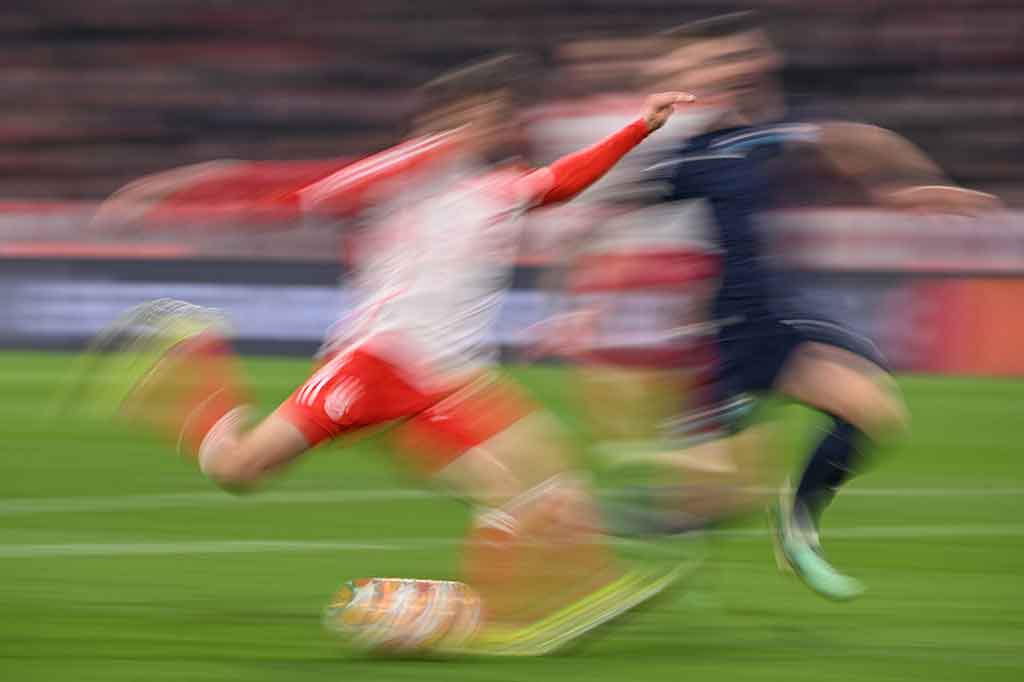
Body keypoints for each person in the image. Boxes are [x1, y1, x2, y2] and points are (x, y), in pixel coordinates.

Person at [82, 53, 693, 653]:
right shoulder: (412, 169)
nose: (492, 126)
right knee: (238, 471)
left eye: (497, 115)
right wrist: (190, 189)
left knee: (525, 478)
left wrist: (639, 126)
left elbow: (563, 181)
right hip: (374, 366)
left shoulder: (497, 187)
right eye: (479, 114)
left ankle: (536, 607)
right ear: (449, 118)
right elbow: (303, 192)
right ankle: (192, 352)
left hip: (446, 381)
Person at [642, 12, 999, 599]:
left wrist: (907, 188)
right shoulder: (694, 154)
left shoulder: (778, 130)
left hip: (778, 321)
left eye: (742, 56)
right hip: (729, 332)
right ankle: (610, 541)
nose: (738, 67)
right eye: (716, 61)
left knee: (871, 411)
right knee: (702, 505)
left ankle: (797, 528)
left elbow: (858, 141)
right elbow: (620, 208)